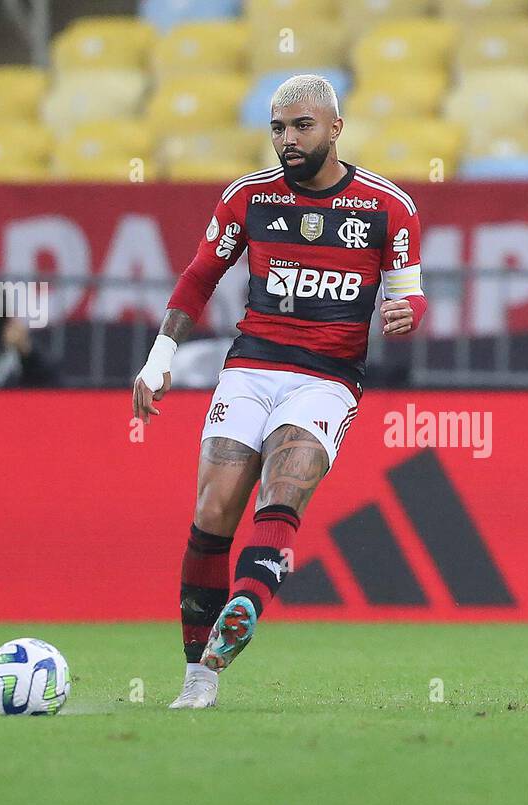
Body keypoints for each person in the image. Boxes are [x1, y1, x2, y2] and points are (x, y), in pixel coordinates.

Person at [132, 74, 426, 709]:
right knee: (213, 514)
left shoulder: (387, 207)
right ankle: (197, 676)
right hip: (251, 367)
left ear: (335, 129)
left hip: (327, 378)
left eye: (301, 127)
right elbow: (199, 277)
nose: (287, 141)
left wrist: (407, 313)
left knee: (284, 488)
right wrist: (160, 357)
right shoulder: (249, 199)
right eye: (277, 128)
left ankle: (239, 615)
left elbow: (409, 291)